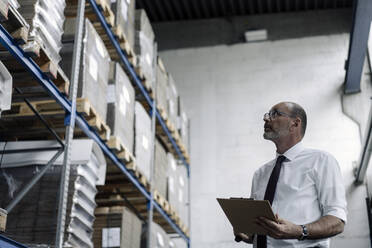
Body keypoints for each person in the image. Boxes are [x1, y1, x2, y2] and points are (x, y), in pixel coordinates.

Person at [235, 102, 347, 248]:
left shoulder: (321, 161)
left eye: (274, 114)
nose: (266, 119)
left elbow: (337, 221)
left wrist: (300, 231)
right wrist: (249, 235)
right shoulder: (260, 173)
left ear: (295, 123)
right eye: (267, 115)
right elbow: (264, 232)